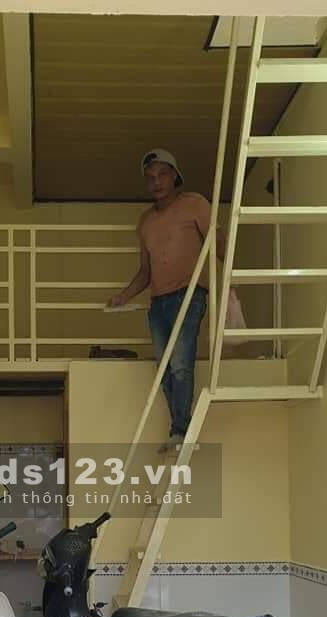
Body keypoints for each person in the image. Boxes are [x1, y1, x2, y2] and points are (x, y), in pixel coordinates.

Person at [108, 148, 224, 449]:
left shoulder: (195, 204)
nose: (156, 182)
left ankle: (181, 431)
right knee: (164, 369)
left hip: (189, 294)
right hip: (159, 302)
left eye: (162, 175)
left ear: (174, 176)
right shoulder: (146, 221)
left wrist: (231, 281)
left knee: (181, 364)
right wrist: (123, 296)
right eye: (150, 177)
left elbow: (220, 245)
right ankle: (179, 429)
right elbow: (145, 271)